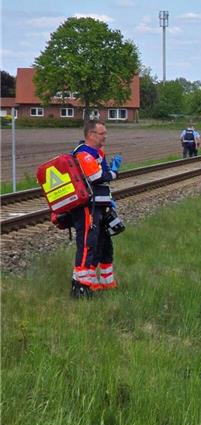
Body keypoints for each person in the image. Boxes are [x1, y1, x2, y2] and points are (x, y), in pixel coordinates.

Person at [69, 120, 121, 298]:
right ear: (91, 134)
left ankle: (101, 283)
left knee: (102, 245)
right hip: (87, 207)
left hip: (99, 204)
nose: (105, 136)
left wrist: (109, 198)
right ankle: (81, 286)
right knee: (87, 244)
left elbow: (104, 177)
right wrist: (114, 172)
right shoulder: (84, 154)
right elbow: (98, 176)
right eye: (102, 133)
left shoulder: (98, 152)